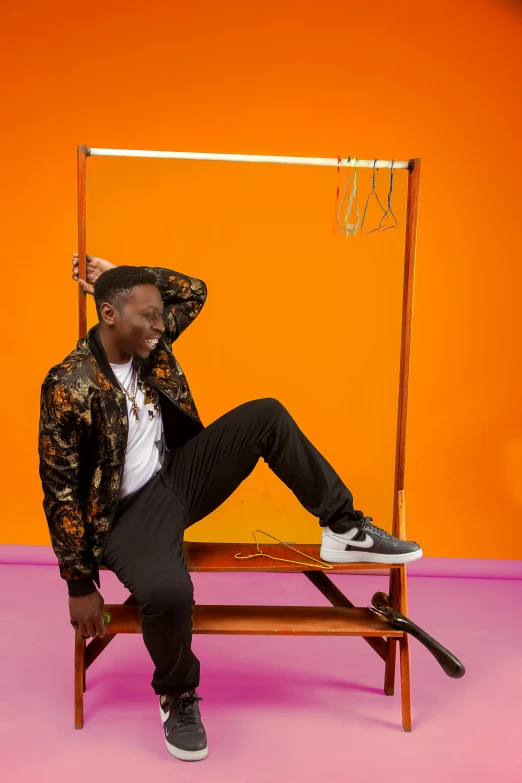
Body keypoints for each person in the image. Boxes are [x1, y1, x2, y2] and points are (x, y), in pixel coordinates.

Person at [38, 254, 422, 762]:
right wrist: (80, 584)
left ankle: (344, 527)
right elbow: (59, 488)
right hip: (123, 516)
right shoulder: (69, 384)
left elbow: (193, 290)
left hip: (175, 478)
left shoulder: (146, 341)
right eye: (147, 316)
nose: (159, 326)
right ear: (109, 315)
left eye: (160, 316)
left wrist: (119, 268)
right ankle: (176, 694)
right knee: (170, 592)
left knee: (266, 415)